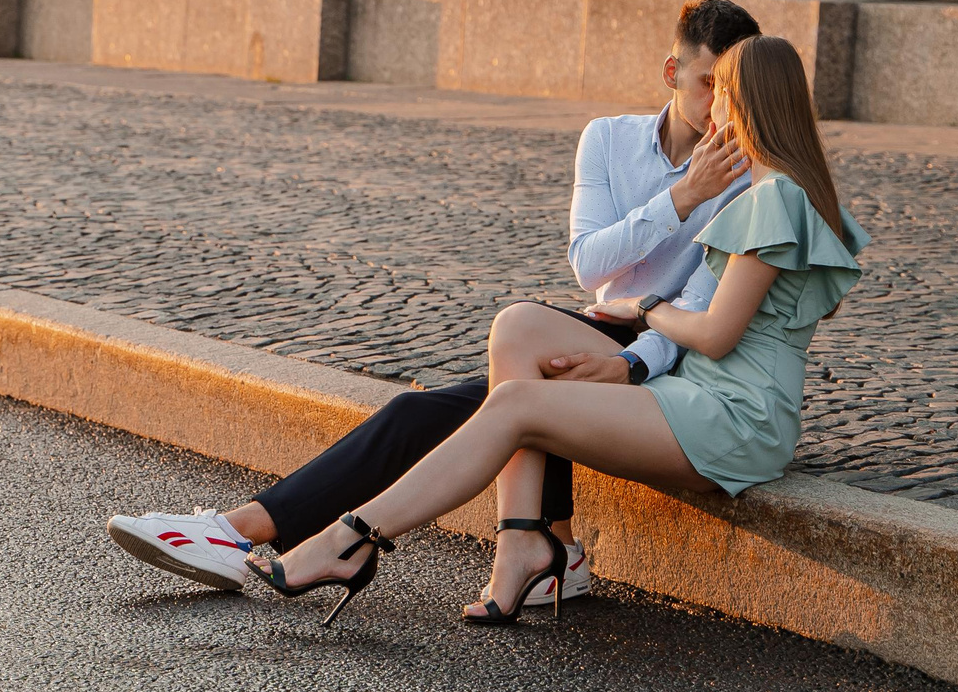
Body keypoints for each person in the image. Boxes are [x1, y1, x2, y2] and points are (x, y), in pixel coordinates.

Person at [105, 0, 762, 606]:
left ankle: (243, 529)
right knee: (428, 404)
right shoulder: (609, 139)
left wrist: (635, 361)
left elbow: (703, 310)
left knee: (509, 358)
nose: (718, 104)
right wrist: (681, 196)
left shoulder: (747, 177)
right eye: (707, 83)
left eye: (731, 89)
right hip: (590, 328)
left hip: (663, 354)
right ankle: (545, 546)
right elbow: (590, 261)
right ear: (672, 71)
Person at [243, 34, 867, 626]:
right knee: (519, 328)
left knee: (514, 402)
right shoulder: (775, 193)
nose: (714, 107)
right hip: (701, 397)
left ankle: (351, 539)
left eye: (722, 91)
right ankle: (520, 545)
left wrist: (645, 308)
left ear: (747, 102)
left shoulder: (773, 199)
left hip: (733, 417)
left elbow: (714, 335)